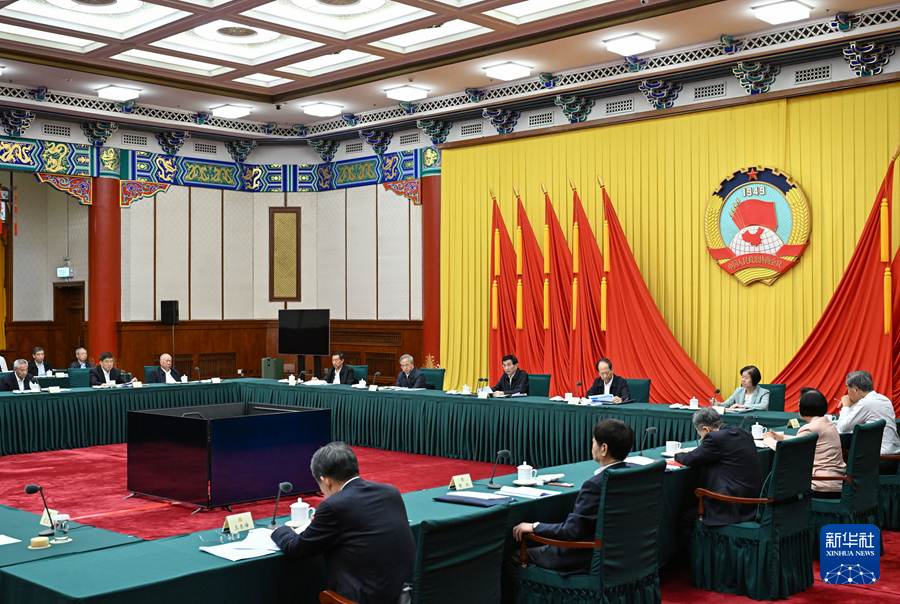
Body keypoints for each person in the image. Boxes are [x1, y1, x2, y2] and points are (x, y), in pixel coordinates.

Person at [271, 442, 416, 604]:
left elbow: (297, 548)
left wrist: (279, 530)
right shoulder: (390, 492)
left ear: (326, 481)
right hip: (408, 595)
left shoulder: (333, 506)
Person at [511, 419, 633, 575]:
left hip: (586, 558)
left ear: (604, 449)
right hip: (623, 555)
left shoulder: (595, 485)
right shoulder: (632, 475)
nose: (592, 446)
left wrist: (534, 526)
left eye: (593, 442)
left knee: (513, 558)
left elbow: (571, 531)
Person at [675, 408, 764, 526]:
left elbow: (691, 459)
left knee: (684, 518)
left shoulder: (714, 438)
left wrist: (678, 455)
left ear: (706, 429)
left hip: (731, 506)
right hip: (754, 503)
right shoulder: (744, 433)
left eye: (701, 435)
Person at [764, 388, 846, 498]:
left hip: (820, 484)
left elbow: (787, 451)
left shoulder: (810, 428)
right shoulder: (827, 422)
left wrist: (768, 440)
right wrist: (781, 437)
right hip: (835, 481)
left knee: (777, 484)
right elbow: (803, 441)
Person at [836, 370, 900, 474]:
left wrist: (846, 406)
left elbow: (843, 427)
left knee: (841, 462)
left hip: (878, 460)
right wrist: (851, 404)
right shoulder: (884, 399)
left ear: (856, 389)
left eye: (847, 388)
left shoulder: (866, 403)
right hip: (893, 458)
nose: (847, 393)